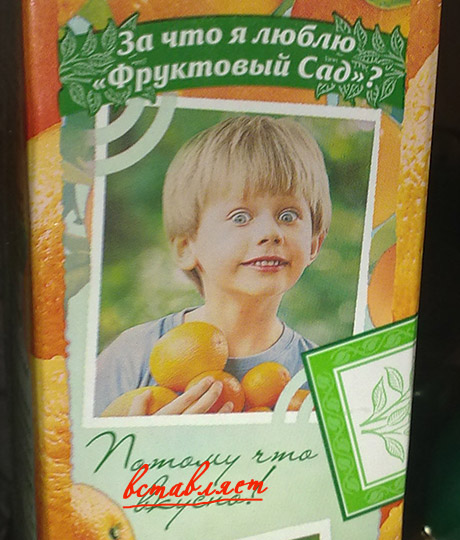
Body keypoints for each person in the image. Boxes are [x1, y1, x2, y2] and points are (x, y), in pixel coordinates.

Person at [94, 115, 331, 416]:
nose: (270, 233)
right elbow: (70, 441)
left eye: (288, 216)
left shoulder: (323, 378)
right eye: (240, 217)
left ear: (313, 245)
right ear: (187, 247)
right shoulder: (133, 354)